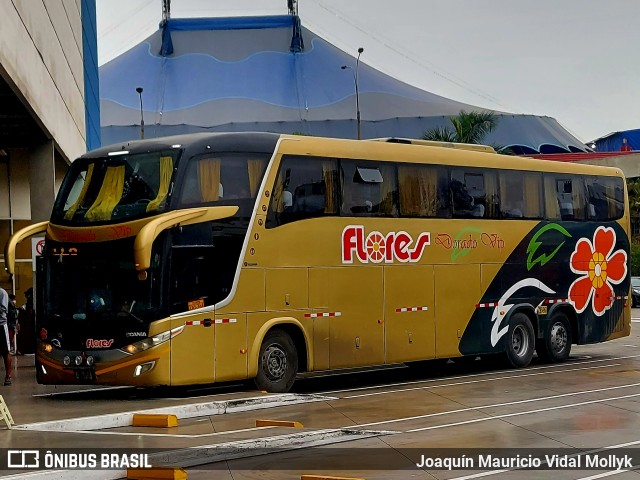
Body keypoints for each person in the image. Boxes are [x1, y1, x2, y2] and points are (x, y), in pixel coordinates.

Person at [0, 287, 12, 385]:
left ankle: (8, 375)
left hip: (1, 325)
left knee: (6, 351)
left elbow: (4, 309)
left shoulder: (2, 293)